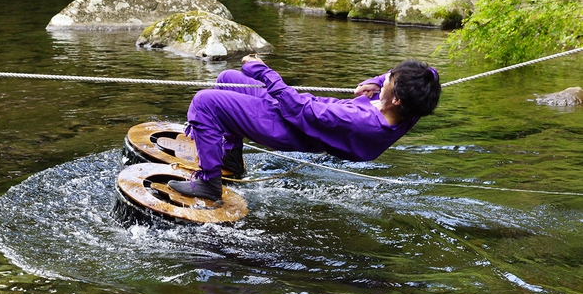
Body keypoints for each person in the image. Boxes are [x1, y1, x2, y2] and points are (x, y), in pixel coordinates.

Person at [168, 55, 441, 202]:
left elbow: (299, 109)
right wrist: (376, 80)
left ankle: (209, 184)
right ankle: (229, 157)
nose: (386, 81)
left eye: (389, 82)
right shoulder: (413, 105)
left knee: (205, 102)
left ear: (396, 100)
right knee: (228, 79)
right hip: (303, 116)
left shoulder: (359, 120)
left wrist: (264, 71)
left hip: (289, 126)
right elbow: (431, 74)